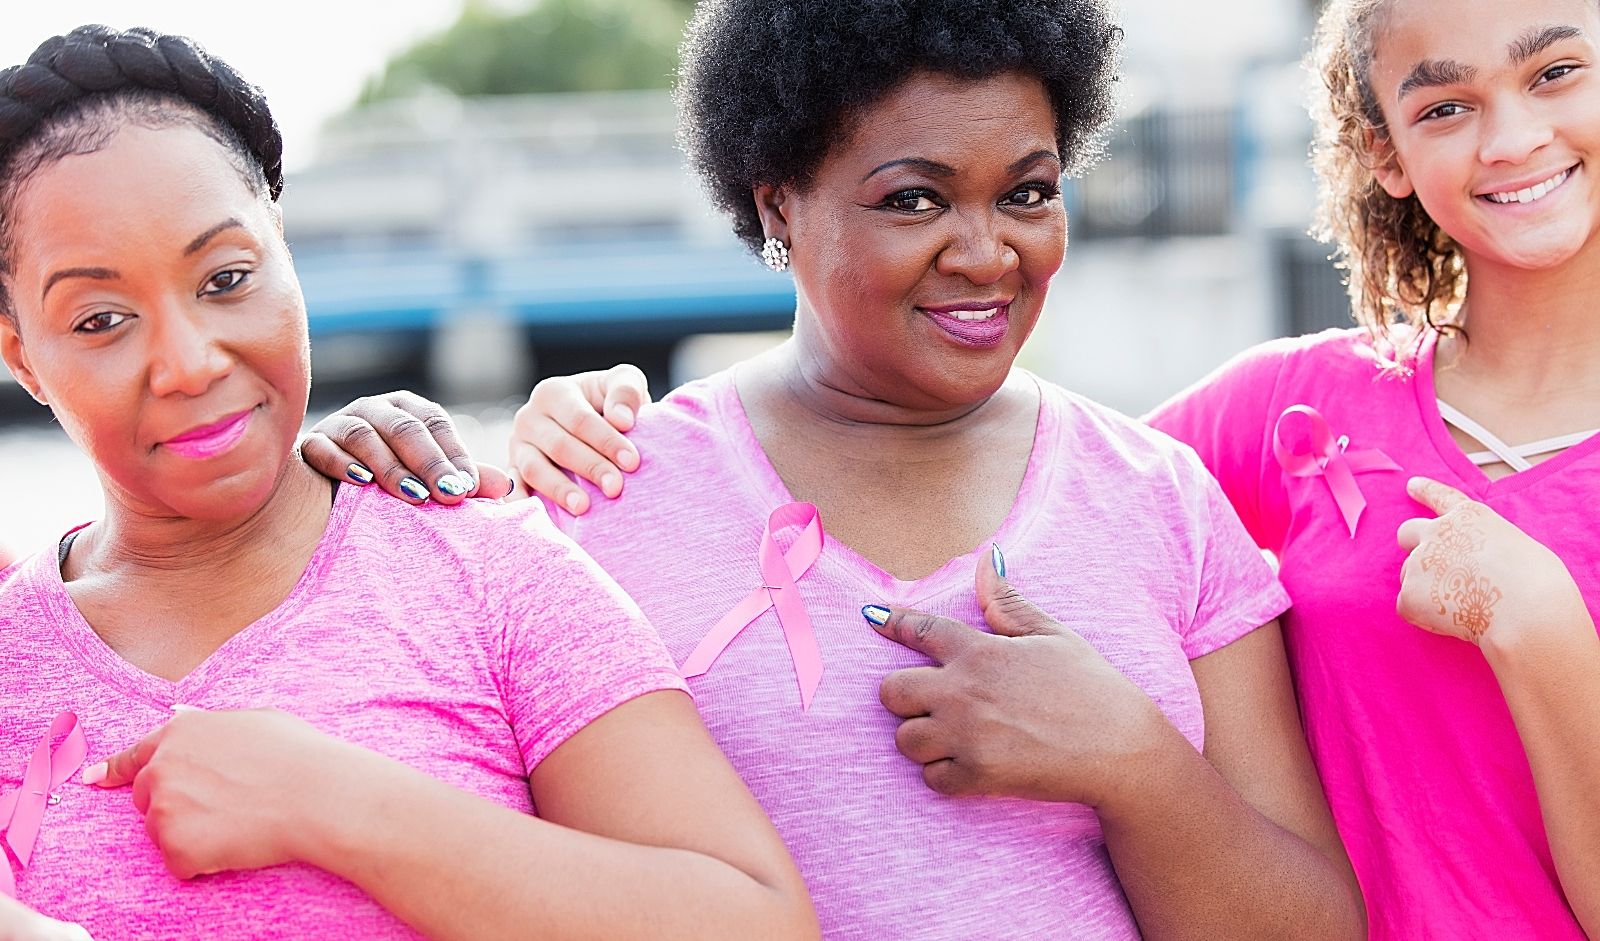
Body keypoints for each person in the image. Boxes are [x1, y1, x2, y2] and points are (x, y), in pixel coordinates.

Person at [439, 0, 1600, 936]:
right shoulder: (602, 494)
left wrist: (1132, 764)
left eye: (1028, 192)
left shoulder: (1156, 495)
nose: (988, 250)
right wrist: (407, 445)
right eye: (914, 198)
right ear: (775, 200)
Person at [0, 25, 817, 941]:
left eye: (227, 277)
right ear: (22, 355)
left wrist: (337, 803)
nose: (187, 363)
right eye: (102, 319)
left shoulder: (487, 569)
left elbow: (757, 923)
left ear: (285, 249)